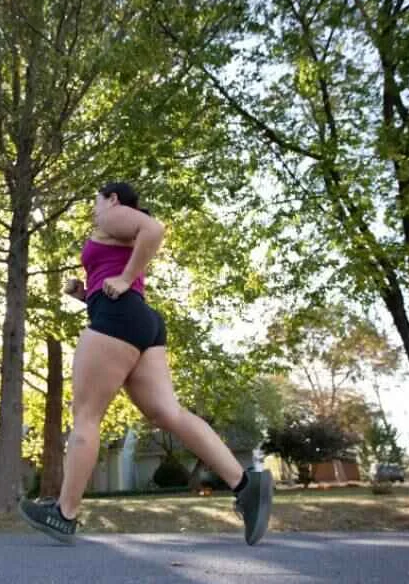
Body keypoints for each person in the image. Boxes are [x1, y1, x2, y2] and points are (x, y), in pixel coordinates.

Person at [18, 182, 273, 545]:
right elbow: (120, 277)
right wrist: (87, 294)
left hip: (119, 319)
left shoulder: (111, 216)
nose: (94, 207)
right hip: (140, 322)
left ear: (112, 198)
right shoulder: (113, 230)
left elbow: (154, 230)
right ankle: (246, 484)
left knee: (86, 417)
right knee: (170, 414)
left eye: (96, 199)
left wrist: (121, 279)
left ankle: (64, 513)